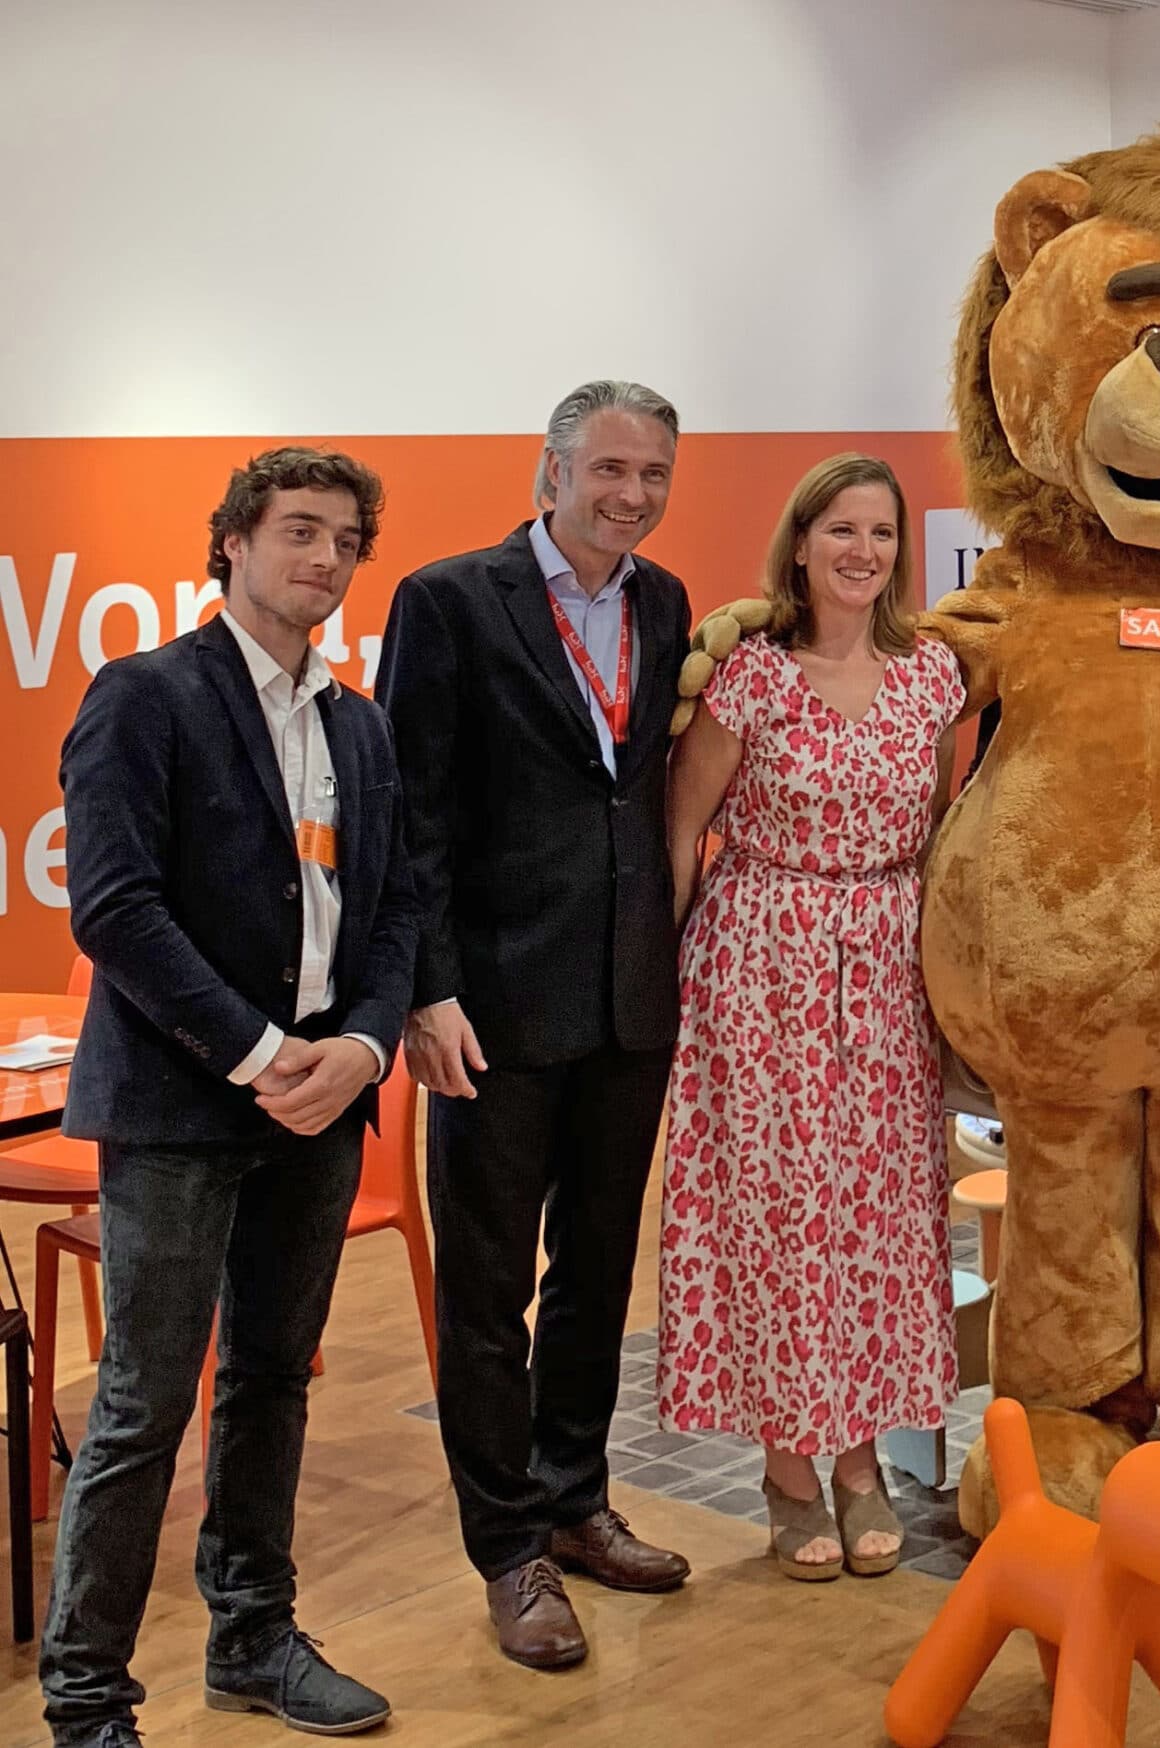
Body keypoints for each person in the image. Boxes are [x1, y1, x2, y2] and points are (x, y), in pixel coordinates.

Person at [46, 447, 415, 1746]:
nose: (323, 559)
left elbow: (393, 908)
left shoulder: (358, 725)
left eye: (343, 542)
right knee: (143, 1403)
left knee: (272, 1378)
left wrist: (363, 1050)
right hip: (186, 1107)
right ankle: (87, 1696)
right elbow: (115, 909)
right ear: (235, 545)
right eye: (298, 532)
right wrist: (267, 1057)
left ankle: (251, 1637)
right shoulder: (146, 697)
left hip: (322, 1102)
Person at [378, 381, 697, 1669]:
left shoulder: (664, 602)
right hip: (492, 1008)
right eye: (610, 466)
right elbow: (411, 812)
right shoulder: (448, 601)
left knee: (595, 1278)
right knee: (487, 1287)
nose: (632, 492)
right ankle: (505, 1546)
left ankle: (573, 1500)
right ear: (549, 470)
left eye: (654, 472)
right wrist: (425, 989)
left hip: (627, 1001)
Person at [656, 454, 970, 1579]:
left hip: (886, 965)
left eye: (881, 532)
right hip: (761, 965)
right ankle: (791, 1463)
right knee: (781, 1217)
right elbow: (683, 832)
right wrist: (663, 992)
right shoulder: (750, 677)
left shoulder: (935, 677)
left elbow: (938, 828)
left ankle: (861, 1456)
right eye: (840, 528)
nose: (862, 551)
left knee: (881, 1219)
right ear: (800, 542)